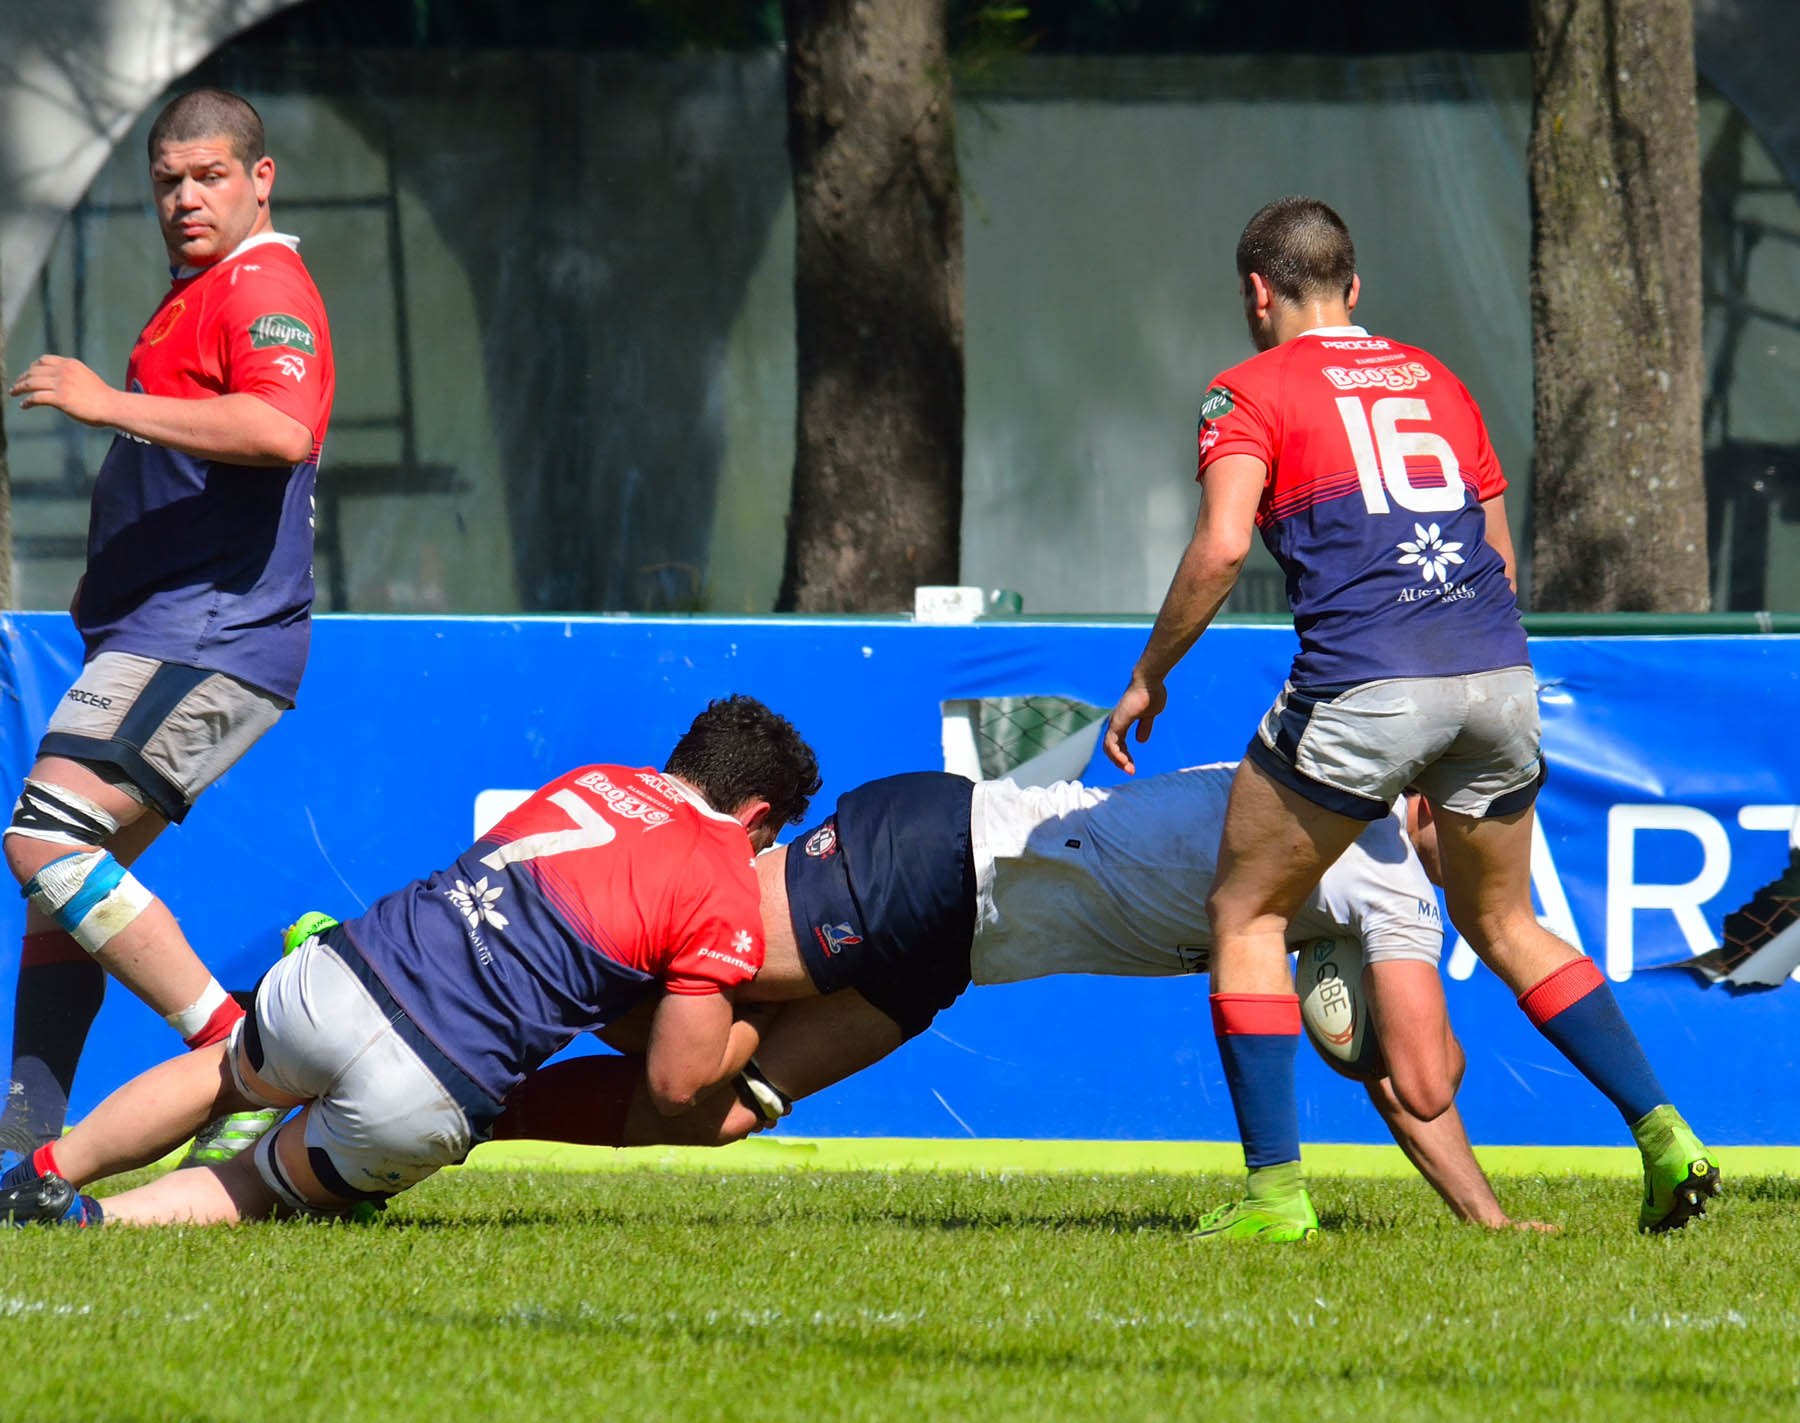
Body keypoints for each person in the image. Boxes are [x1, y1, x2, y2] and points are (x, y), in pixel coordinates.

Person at [1100, 196, 1717, 1237]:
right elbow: (1500, 560)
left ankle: (1276, 1198)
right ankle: (1663, 1131)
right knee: (1508, 922)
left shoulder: (1243, 391)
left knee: (1244, 917)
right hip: (1497, 674)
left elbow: (1218, 549)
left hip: (1365, 685)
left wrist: (1150, 676)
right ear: (1357, 284)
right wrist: (1451, 739)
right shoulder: (1438, 380)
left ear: (1258, 294)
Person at [492, 766, 1548, 1233]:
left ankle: (482, 1115)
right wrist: (1373, 1038)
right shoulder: (1390, 872)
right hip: (938, 856)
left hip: (949, 947)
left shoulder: (1361, 877)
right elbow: (1421, 1078)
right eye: (1498, 821)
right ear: (1431, 807)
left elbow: (1406, 1097)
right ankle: (420, 958)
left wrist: (1486, 1219)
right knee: (664, 968)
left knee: (712, 1107)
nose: (1507, 845)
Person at [0, 696, 820, 1227]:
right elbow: (677, 1083)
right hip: (430, 1083)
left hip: (345, 973)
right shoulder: (724, 875)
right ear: (756, 815)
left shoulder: (594, 780)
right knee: (258, 1183)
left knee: (227, 1075)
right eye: (770, 835)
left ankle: (37, 1175)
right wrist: (758, 1027)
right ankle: (92, 1223)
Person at [1, 88, 336, 1167]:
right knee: (66, 894)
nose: (186, 198)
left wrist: (106, 403)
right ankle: (23, 1141)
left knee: (45, 837)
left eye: (210, 177)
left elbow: (280, 428)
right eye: (168, 181)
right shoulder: (201, 291)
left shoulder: (266, 285)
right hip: (164, 627)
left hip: (212, 633)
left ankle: (243, 1053)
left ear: (261, 177)